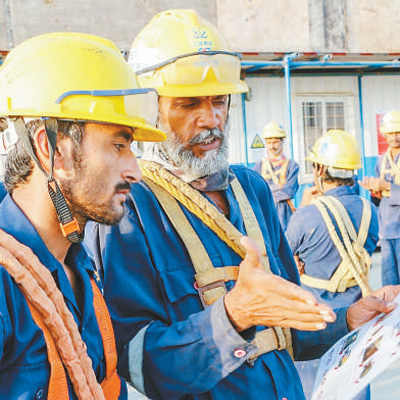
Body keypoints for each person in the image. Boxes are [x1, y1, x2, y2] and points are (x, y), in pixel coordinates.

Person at [86, 10, 399, 400]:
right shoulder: (129, 208)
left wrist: (348, 318)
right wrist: (232, 317)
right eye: (189, 104)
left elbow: (288, 322)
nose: (211, 118)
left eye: (220, 100)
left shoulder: (251, 188)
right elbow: (136, 361)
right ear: (149, 111)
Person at [0, 32, 165, 399]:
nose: (135, 172)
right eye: (118, 145)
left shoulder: (79, 265)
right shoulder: (4, 286)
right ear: (53, 150)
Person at [286, 129, 379, 399]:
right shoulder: (370, 210)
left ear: (320, 169)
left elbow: (283, 261)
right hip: (358, 317)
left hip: (317, 323)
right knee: (356, 383)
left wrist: (302, 210)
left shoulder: (306, 215)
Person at [361, 110, 400, 285]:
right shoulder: (381, 161)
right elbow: (380, 197)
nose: (395, 137)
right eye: (391, 133)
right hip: (387, 226)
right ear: (385, 134)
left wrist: (387, 187)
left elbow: (387, 188)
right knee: (389, 280)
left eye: (398, 132)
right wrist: (375, 191)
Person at [253, 122, 299, 230]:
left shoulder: (292, 165)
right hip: (265, 212)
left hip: (285, 215)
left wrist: (267, 190)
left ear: (282, 141)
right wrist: (279, 187)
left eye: (275, 142)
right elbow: (256, 191)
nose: (272, 146)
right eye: (269, 143)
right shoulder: (259, 166)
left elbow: (289, 191)